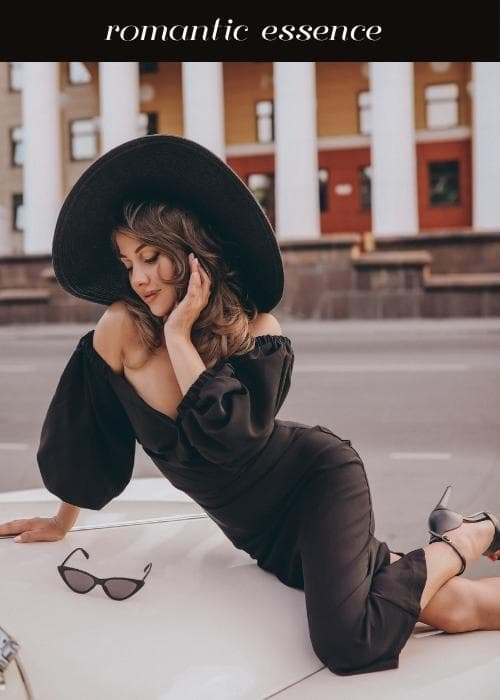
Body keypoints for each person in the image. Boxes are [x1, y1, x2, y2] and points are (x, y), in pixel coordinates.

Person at [1, 134, 499, 676]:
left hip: (316, 483)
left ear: (191, 254)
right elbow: (88, 434)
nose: (138, 278)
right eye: (127, 264)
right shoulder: (119, 330)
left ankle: (470, 533)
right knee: (446, 608)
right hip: (261, 532)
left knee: (349, 641)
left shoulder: (259, 334)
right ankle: (477, 537)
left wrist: (180, 337)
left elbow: (228, 437)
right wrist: (62, 519)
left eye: (151, 257)